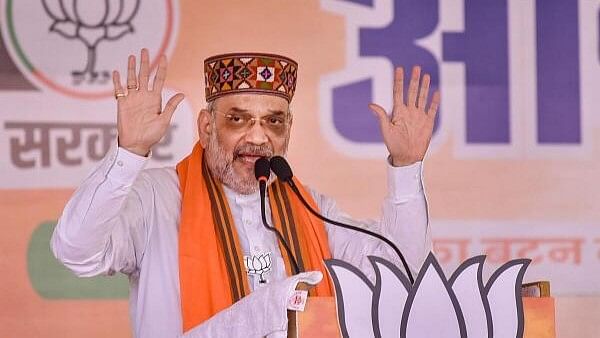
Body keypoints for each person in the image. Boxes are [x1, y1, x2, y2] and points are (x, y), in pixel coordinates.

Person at [51, 49, 439, 338]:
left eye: (273, 122)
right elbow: (76, 252)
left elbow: (403, 271)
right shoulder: (158, 198)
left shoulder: (312, 208)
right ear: (206, 127)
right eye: (237, 119)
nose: (257, 137)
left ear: (288, 130)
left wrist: (406, 166)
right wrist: (129, 152)